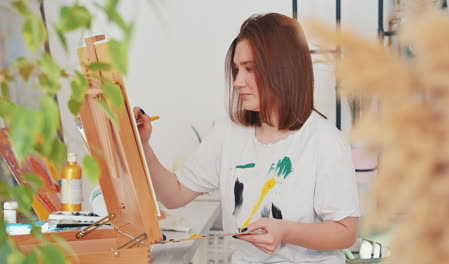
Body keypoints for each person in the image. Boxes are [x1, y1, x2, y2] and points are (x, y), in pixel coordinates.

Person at [134, 13, 360, 264]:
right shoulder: (228, 133)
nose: (238, 81)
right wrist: (142, 144)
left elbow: (346, 232)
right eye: (236, 69)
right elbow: (174, 195)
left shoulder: (324, 140)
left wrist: (285, 231)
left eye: (249, 69)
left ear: (282, 69)